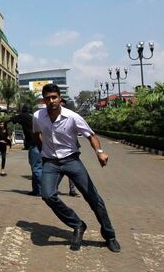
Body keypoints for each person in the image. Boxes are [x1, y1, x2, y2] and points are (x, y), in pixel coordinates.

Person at [33, 83, 120, 253]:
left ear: (60, 98)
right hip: (50, 162)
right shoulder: (37, 116)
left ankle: (109, 236)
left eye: (54, 97)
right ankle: (78, 224)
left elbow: (90, 136)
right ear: (43, 100)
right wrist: (43, 151)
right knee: (47, 195)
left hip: (71, 160)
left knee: (93, 198)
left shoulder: (73, 117)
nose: (51, 101)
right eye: (48, 98)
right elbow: (37, 135)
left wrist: (99, 152)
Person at [8, 103, 42, 196]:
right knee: (38, 167)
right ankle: (36, 190)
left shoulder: (24, 116)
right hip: (40, 144)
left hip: (34, 144)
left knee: (36, 168)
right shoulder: (34, 117)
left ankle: (40, 191)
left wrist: (6, 122)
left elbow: (12, 119)